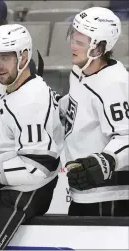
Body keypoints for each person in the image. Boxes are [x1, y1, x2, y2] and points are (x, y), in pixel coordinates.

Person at [0, 24, 63, 250]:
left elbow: (38, 166)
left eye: (5, 58)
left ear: (24, 57)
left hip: (24, 190)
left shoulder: (33, 101)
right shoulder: (6, 84)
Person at [61, 7, 129, 216]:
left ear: (99, 48)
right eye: (73, 38)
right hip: (83, 191)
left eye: (80, 43)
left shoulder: (114, 84)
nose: (72, 46)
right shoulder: (80, 70)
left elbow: (126, 135)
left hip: (108, 196)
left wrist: (106, 161)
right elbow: (76, 106)